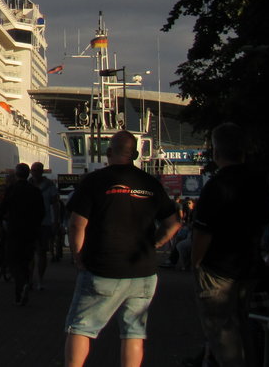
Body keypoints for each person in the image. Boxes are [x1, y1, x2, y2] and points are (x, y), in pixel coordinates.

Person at [63, 131, 180, 367]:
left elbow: (77, 223)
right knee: (134, 333)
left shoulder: (95, 181)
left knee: (80, 328)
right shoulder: (150, 183)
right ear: (136, 154)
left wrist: (77, 254)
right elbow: (174, 222)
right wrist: (155, 244)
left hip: (103, 267)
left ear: (108, 153)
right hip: (143, 271)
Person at [190, 122, 269, 367]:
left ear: (215, 152)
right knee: (244, 326)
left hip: (218, 269)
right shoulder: (259, 182)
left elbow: (203, 232)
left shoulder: (216, 186)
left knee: (222, 331)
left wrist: (196, 263)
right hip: (248, 265)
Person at [0, 163, 45, 305]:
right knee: (26, 260)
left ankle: (22, 285)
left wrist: (2, 222)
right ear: (28, 174)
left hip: (14, 230)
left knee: (12, 260)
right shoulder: (35, 191)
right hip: (30, 231)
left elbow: (1, 210)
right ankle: (22, 291)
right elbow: (42, 212)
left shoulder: (11, 190)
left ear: (17, 174)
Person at [30, 161, 60, 291]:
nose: (35, 172)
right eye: (33, 170)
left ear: (42, 171)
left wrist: (55, 221)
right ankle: (30, 279)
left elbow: (55, 204)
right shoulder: (28, 185)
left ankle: (40, 279)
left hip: (44, 222)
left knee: (42, 252)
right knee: (30, 252)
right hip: (30, 223)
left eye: (37, 170)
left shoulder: (49, 186)